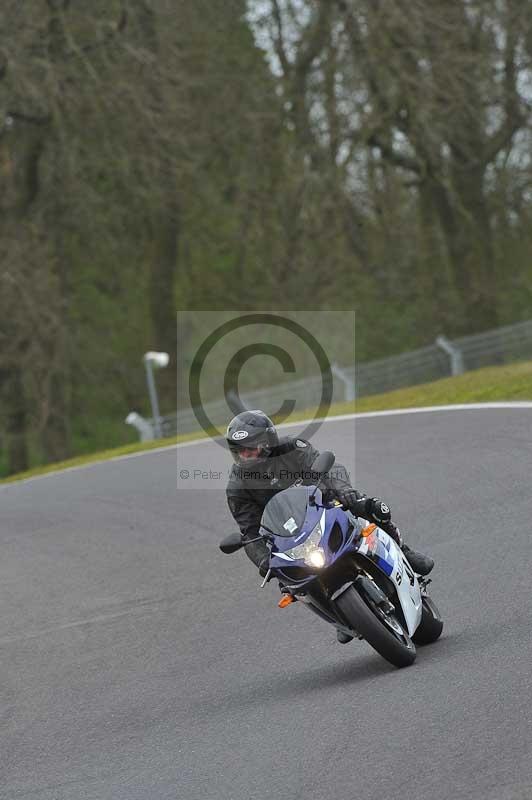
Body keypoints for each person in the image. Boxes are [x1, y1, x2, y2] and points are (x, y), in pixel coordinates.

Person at [225, 409, 434, 642]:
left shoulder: (293, 448)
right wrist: (263, 560)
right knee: (290, 582)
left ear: (268, 442)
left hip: (323, 506)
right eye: (240, 451)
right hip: (288, 536)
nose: (245, 455)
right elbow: (249, 531)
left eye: (250, 448)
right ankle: (341, 612)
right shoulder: (237, 486)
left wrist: (345, 491)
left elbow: (330, 468)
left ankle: (403, 551)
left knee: (370, 507)